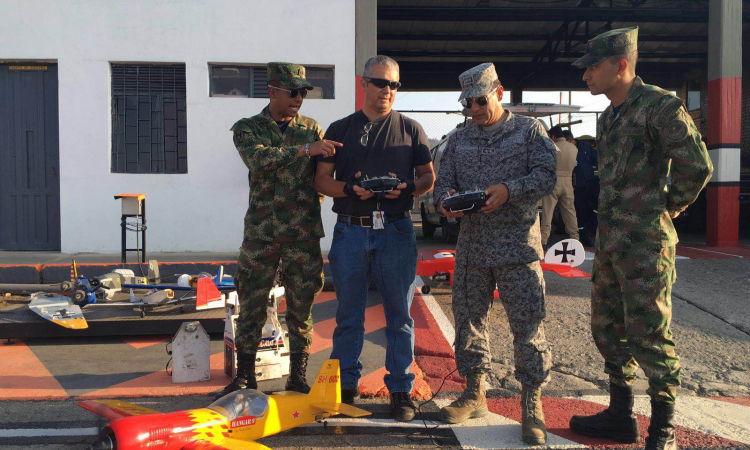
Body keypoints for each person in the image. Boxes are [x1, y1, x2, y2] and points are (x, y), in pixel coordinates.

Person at [569, 27, 713, 450]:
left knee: (650, 333)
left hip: (646, 243)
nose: (586, 76)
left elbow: (698, 166)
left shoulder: (661, 107)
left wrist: (666, 208)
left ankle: (662, 427)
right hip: (612, 240)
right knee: (608, 329)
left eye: (593, 67)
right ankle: (620, 415)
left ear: (621, 64)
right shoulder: (609, 116)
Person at [432, 62, 556, 445]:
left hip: (517, 245)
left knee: (528, 325)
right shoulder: (459, 137)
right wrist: (445, 203)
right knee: (469, 320)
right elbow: (443, 183)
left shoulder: (530, 131)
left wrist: (509, 189)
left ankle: (532, 404)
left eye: (480, 101)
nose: (474, 109)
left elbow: (546, 176)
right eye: (467, 103)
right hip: (472, 247)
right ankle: (474, 392)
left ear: (498, 93)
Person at [314, 55, 435, 422]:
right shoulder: (339, 128)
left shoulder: (412, 129)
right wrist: (350, 188)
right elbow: (321, 181)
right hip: (350, 228)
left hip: (396, 230)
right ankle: (346, 387)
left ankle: (400, 390)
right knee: (348, 315)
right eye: (380, 83)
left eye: (394, 85)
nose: (387, 91)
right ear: (363, 83)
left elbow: (428, 178)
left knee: (400, 315)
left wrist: (408, 189)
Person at [215, 62, 343, 399]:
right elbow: (257, 160)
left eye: (303, 92)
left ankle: (297, 376)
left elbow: (322, 176)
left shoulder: (312, 128)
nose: (300, 98)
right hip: (261, 233)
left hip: (302, 234)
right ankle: (245, 376)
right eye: (293, 92)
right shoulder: (248, 128)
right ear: (272, 91)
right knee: (252, 304)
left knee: (301, 308)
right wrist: (304, 150)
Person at [540, 125, 580, 248]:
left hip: (554, 181)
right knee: (570, 212)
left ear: (553, 136)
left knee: (548, 212)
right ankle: (575, 237)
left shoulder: (552, 146)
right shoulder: (574, 148)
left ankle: (544, 240)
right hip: (568, 182)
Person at [565, 129, 599, 247]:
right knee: (580, 211)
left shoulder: (585, 146)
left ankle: (591, 230)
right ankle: (584, 235)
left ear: (570, 140)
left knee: (596, 207)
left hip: (591, 182)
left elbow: (595, 161)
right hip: (578, 186)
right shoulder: (567, 151)